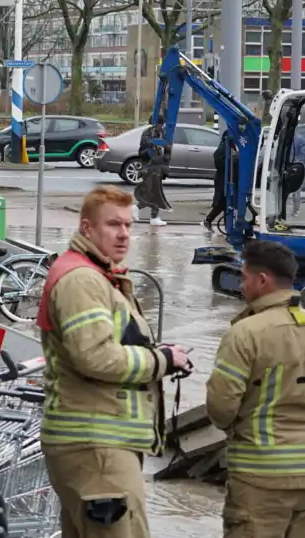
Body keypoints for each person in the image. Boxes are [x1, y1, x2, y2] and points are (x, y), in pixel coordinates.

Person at [37, 185, 192, 538]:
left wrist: (163, 355)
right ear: (87, 228)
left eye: (128, 225)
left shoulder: (98, 276)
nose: (123, 234)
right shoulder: (82, 280)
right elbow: (95, 356)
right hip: (96, 445)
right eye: (113, 225)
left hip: (98, 443)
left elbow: (111, 344)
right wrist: (161, 360)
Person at [206, 240, 305, 538]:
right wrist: (304, 415)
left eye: (243, 278)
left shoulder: (244, 334)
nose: (241, 286)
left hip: (258, 477)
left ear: (262, 280)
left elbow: (221, 407)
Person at [132, 124, 169, 227]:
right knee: (154, 193)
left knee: (152, 193)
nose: (162, 127)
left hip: (154, 167)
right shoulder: (149, 135)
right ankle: (153, 217)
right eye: (160, 125)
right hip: (149, 168)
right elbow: (145, 152)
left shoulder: (157, 133)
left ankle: (138, 209)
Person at [204, 134, 229, 232]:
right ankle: (209, 220)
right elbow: (217, 158)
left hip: (227, 177)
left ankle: (210, 220)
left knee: (226, 202)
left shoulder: (229, 144)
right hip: (223, 177)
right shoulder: (225, 145)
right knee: (223, 201)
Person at [289, 130, 305, 216]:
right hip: (288, 166)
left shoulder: (299, 139)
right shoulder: (286, 139)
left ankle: (296, 209)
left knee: (296, 190)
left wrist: (296, 161)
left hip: (297, 168)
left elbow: (304, 154)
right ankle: (282, 210)